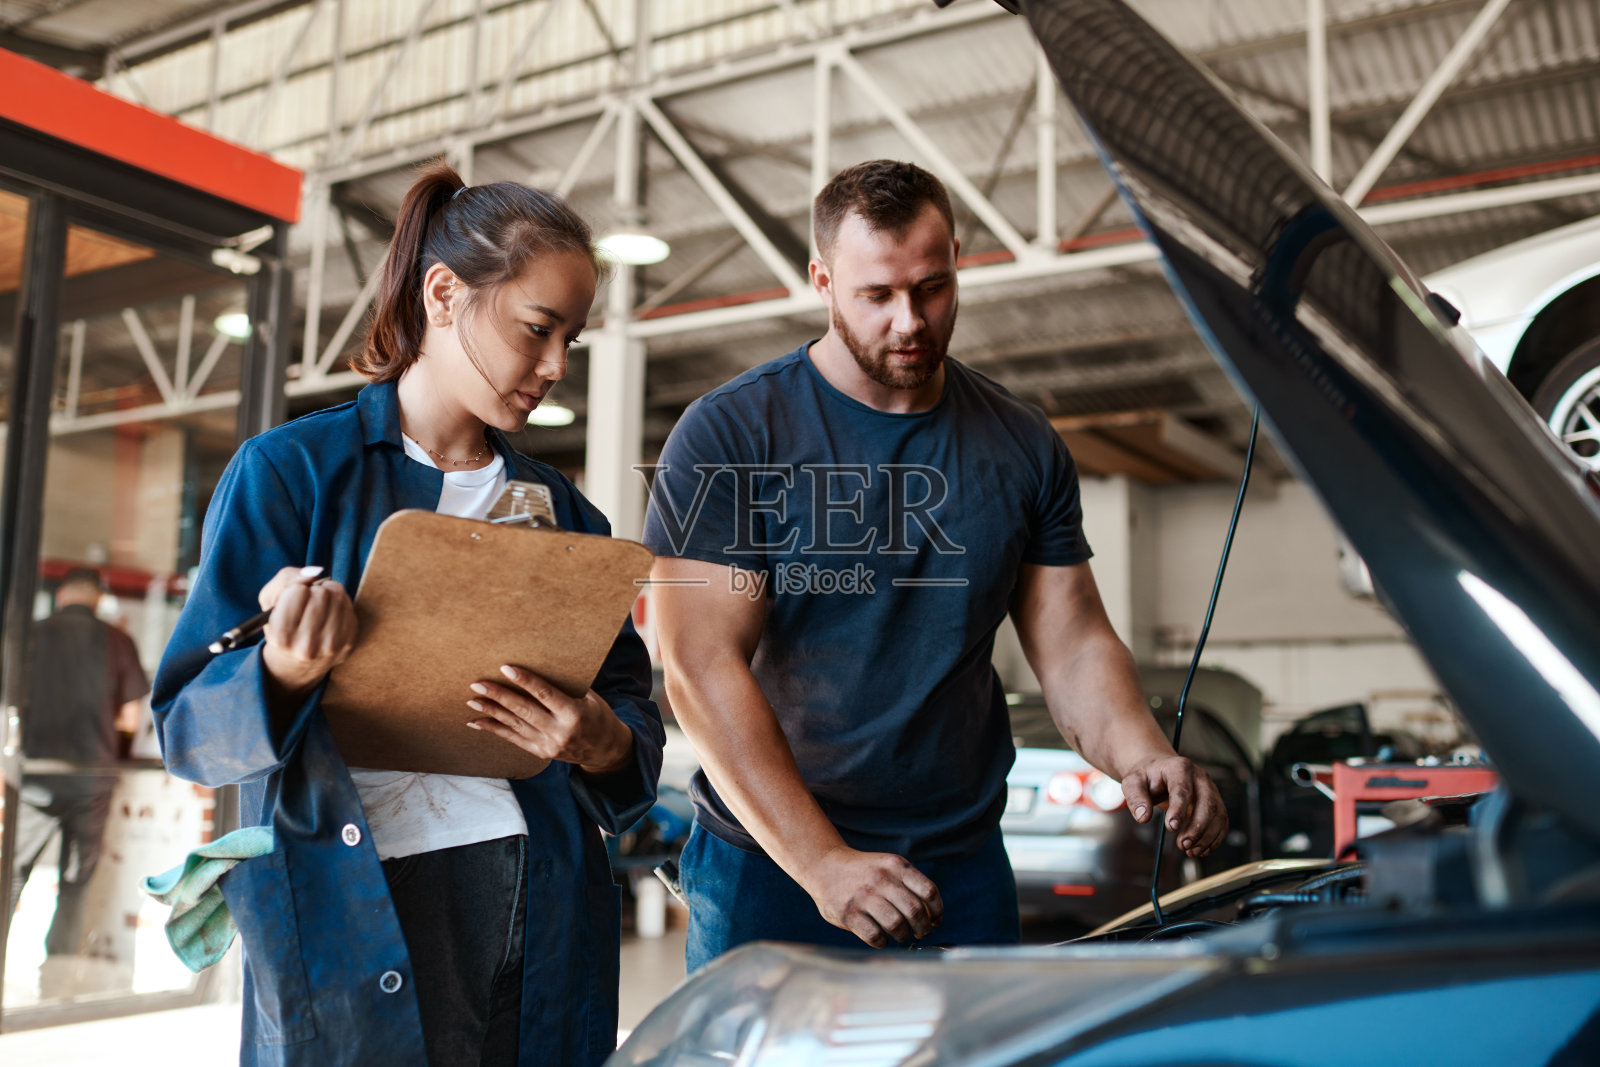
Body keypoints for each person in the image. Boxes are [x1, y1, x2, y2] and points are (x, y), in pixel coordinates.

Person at [643, 160, 1229, 971]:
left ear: (957, 260)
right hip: (773, 862)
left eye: (932, 288)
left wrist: (1143, 754)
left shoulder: (1021, 443)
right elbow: (700, 667)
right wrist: (822, 861)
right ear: (822, 281)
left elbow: (1074, 646)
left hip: (959, 864)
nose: (910, 321)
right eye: (876, 295)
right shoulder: (731, 435)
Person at [152, 163, 664, 1067]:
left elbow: (631, 723)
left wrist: (599, 739)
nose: (554, 366)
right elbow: (189, 728)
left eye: (570, 340)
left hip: (539, 903)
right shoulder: (292, 474)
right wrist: (283, 669)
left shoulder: (568, 517)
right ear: (443, 294)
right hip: (359, 904)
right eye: (537, 328)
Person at [9, 567, 146, 960]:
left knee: (12, 874)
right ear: (98, 599)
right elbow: (130, 718)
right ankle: (58, 973)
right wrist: (113, 751)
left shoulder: (29, 635)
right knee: (75, 882)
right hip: (92, 780)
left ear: (61, 595)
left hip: (35, 777)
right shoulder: (118, 641)